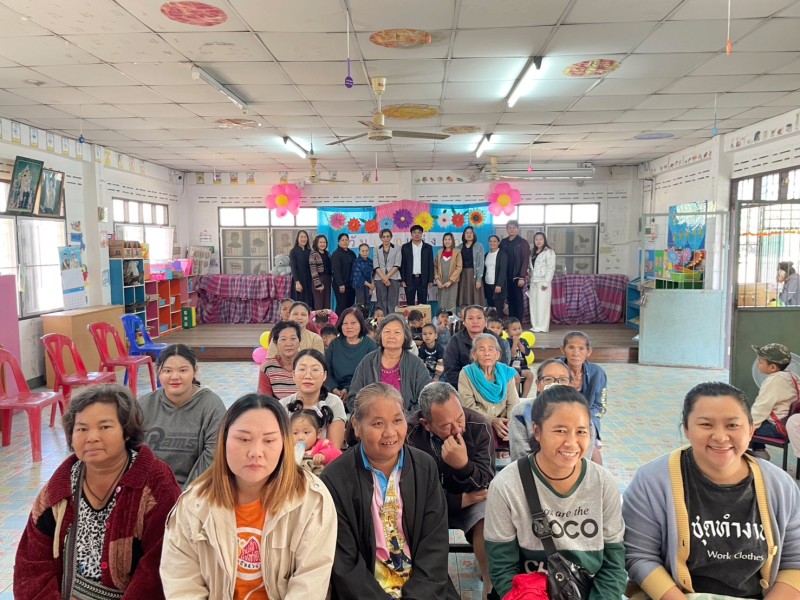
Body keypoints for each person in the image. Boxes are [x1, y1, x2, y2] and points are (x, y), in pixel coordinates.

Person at [623, 381, 800, 600]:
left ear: (751, 429)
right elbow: (640, 556)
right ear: (687, 429)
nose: (720, 437)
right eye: (706, 425)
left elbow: (795, 561)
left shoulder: (780, 485)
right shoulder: (652, 481)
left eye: (732, 425)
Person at [161, 394, 337, 599]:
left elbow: (310, 584)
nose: (256, 452)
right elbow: (182, 585)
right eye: (244, 439)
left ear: (284, 444)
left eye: (269, 440)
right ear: (224, 440)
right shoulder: (194, 504)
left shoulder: (312, 500)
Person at [14, 384, 181, 600]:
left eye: (104, 427)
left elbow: (159, 566)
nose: (91, 437)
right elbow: (31, 566)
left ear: (126, 431)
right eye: (82, 429)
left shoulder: (155, 484)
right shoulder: (59, 489)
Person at [485, 385, 627, 599]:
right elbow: (503, 568)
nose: (571, 443)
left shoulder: (602, 483)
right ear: (537, 431)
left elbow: (614, 566)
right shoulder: (506, 486)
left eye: (581, 431)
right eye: (560, 431)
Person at [320, 383, 460, 600]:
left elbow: (434, 546)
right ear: (356, 425)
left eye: (397, 420)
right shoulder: (335, 478)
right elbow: (345, 562)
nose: (390, 432)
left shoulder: (424, 467)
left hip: (424, 590)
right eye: (378, 423)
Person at [406, 382, 495, 597]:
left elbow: (485, 484)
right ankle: (431, 584)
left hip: (471, 502)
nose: (457, 429)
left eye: (459, 418)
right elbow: (414, 492)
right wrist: (460, 500)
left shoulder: (479, 425)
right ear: (426, 424)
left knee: (486, 514)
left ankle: (489, 585)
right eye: (446, 425)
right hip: (427, 506)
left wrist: (463, 466)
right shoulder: (410, 433)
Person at [139, 343, 226, 488]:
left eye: (183, 370)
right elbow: (132, 453)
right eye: (167, 371)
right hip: (149, 490)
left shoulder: (211, 405)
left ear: (195, 371)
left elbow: (213, 458)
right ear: (158, 372)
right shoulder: (145, 404)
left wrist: (184, 495)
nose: (175, 377)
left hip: (195, 490)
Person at [348, 313, 431, 414]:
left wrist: (401, 418)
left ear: (405, 337)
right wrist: (370, 417)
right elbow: (353, 398)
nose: (391, 336)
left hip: (407, 421)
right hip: (372, 420)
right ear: (380, 335)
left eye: (397, 332)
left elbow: (427, 400)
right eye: (387, 331)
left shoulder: (416, 364)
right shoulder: (368, 361)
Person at [458, 333, 520, 452]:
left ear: (497, 354)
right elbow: (468, 406)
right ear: (474, 355)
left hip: (504, 421)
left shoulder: (507, 373)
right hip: (479, 422)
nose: (486, 353)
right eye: (481, 350)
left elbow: (513, 403)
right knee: (486, 434)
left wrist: (510, 424)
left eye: (491, 349)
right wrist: (492, 420)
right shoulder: (466, 373)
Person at [281, 349, 347, 450]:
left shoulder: (334, 403)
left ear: (324, 375)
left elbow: (334, 449)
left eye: (315, 370)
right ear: (293, 375)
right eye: (302, 369)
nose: (308, 376)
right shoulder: (283, 405)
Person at [508, 358, 573, 460]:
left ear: (570, 385)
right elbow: (520, 457)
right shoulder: (520, 412)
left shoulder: (581, 414)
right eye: (548, 379)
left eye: (563, 379)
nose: (555, 384)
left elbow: (582, 455)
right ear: (538, 384)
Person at [560, 331, 607, 464]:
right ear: (563, 350)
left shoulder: (597, 373)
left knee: (590, 447)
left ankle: (597, 476)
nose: (576, 353)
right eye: (571, 347)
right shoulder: (554, 368)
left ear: (588, 351)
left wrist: (582, 420)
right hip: (558, 417)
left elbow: (600, 407)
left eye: (581, 348)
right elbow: (543, 399)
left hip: (587, 421)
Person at [749, 343, 799, 460]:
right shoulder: (792, 375)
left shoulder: (773, 381)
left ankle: (759, 451)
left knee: (741, 424)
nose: (757, 365)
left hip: (777, 428)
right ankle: (759, 450)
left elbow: (761, 408)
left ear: (772, 367)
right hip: (787, 422)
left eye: (760, 362)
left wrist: (749, 427)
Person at [443, 305, 510, 386]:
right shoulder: (456, 341)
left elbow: (502, 366)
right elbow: (450, 370)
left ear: (485, 321)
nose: (475, 322)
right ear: (464, 321)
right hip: (464, 386)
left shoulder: (495, 339)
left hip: (492, 385)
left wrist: (489, 384)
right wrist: (469, 385)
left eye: (479, 318)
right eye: (470, 318)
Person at [324, 306, 377, 402]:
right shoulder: (334, 344)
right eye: (345, 323)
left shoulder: (371, 345)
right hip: (334, 392)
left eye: (353, 323)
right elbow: (326, 369)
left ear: (361, 324)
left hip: (362, 393)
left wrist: (348, 389)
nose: (349, 327)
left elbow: (370, 375)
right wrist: (333, 388)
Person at [291, 407, 342, 475]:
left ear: (318, 433)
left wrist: (323, 455)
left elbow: (338, 454)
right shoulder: (289, 447)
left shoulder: (322, 444)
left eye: (306, 432)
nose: (300, 438)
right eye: (295, 433)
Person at [258, 320, 301, 399]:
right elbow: (264, 399)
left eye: (293, 338)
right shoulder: (268, 366)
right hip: (277, 406)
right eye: (283, 339)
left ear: (299, 342)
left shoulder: (308, 363)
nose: (289, 344)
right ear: (275, 343)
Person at [499, 220, 530, 322]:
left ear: (517, 229)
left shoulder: (522, 242)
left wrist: (522, 276)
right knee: (510, 299)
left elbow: (525, 260)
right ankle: (511, 321)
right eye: (509, 228)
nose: (511, 229)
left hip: (517, 277)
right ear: (507, 229)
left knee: (518, 299)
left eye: (514, 227)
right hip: (506, 276)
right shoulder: (503, 242)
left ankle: (518, 321)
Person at [400, 224, 434, 305]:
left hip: (423, 279)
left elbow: (430, 264)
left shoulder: (428, 247)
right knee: (410, 302)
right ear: (411, 234)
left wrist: (430, 280)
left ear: (422, 234)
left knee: (422, 303)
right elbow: (403, 264)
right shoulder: (405, 247)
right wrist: (403, 280)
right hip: (409, 279)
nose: (417, 234)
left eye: (419, 232)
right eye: (414, 232)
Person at [528, 231, 556, 332]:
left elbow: (551, 268)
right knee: (533, 304)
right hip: (533, 281)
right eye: (536, 239)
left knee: (542, 305)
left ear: (544, 240)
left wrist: (546, 282)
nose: (538, 241)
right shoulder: (532, 252)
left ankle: (542, 326)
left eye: (541, 239)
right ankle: (535, 325)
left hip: (543, 281)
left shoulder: (549, 252)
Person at [373, 228, 402, 315]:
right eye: (384, 237)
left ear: (391, 237)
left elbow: (397, 264)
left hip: (394, 276)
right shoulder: (376, 249)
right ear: (381, 238)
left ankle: (392, 318)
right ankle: (383, 319)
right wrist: (384, 278)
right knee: (381, 300)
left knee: (393, 300)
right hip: (379, 277)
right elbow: (376, 265)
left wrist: (387, 277)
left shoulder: (397, 248)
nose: (386, 239)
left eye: (388, 236)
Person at [457, 225, 485, 308]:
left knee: (475, 298)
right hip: (462, 275)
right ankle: (464, 314)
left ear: (474, 234)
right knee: (464, 298)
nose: (469, 235)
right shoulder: (459, 247)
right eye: (467, 233)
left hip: (474, 275)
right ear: (464, 235)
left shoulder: (479, 246)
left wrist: (479, 280)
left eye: (471, 233)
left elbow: (481, 264)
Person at [506, 317, 535, 397]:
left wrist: (519, 343)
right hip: (511, 367)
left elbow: (526, 352)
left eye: (519, 328)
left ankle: (524, 397)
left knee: (530, 375)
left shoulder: (523, 341)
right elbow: (512, 355)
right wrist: (514, 343)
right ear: (507, 331)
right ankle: (516, 396)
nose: (518, 331)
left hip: (522, 367)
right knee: (517, 378)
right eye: (514, 329)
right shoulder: (506, 342)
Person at [435, 232, 463, 313]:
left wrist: (450, 281)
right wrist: (437, 280)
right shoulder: (439, 252)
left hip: (452, 283)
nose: (447, 241)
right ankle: (441, 319)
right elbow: (435, 267)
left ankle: (451, 320)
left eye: (449, 239)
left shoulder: (457, 252)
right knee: (442, 303)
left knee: (451, 303)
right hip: (441, 282)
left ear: (452, 240)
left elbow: (459, 267)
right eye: (445, 239)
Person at [331, 232, 356, 315]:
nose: (345, 242)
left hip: (351, 285)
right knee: (341, 306)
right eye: (342, 240)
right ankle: (338, 322)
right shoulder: (336, 254)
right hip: (341, 285)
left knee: (350, 307)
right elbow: (336, 271)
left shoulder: (352, 253)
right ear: (338, 242)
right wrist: (340, 284)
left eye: (346, 240)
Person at [483, 235, 509, 315]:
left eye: (494, 241)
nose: (492, 243)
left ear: (498, 242)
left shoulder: (502, 254)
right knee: (490, 308)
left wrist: (499, 285)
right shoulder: (486, 254)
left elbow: (503, 270)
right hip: (487, 284)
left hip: (497, 285)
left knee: (498, 308)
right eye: (490, 241)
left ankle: (499, 322)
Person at [290, 229, 314, 306]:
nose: (303, 239)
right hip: (299, 280)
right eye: (301, 237)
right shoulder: (293, 251)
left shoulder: (309, 251)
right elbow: (293, 268)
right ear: (297, 238)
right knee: (300, 302)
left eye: (305, 237)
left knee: (309, 302)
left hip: (309, 280)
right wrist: (297, 282)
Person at [309, 234, 332, 311]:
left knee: (327, 304)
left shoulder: (328, 254)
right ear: (316, 243)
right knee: (319, 304)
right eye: (320, 242)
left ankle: (326, 319)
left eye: (324, 242)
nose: (323, 244)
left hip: (328, 279)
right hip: (318, 279)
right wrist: (318, 284)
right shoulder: (313, 254)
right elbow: (313, 270)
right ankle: (318, 319)